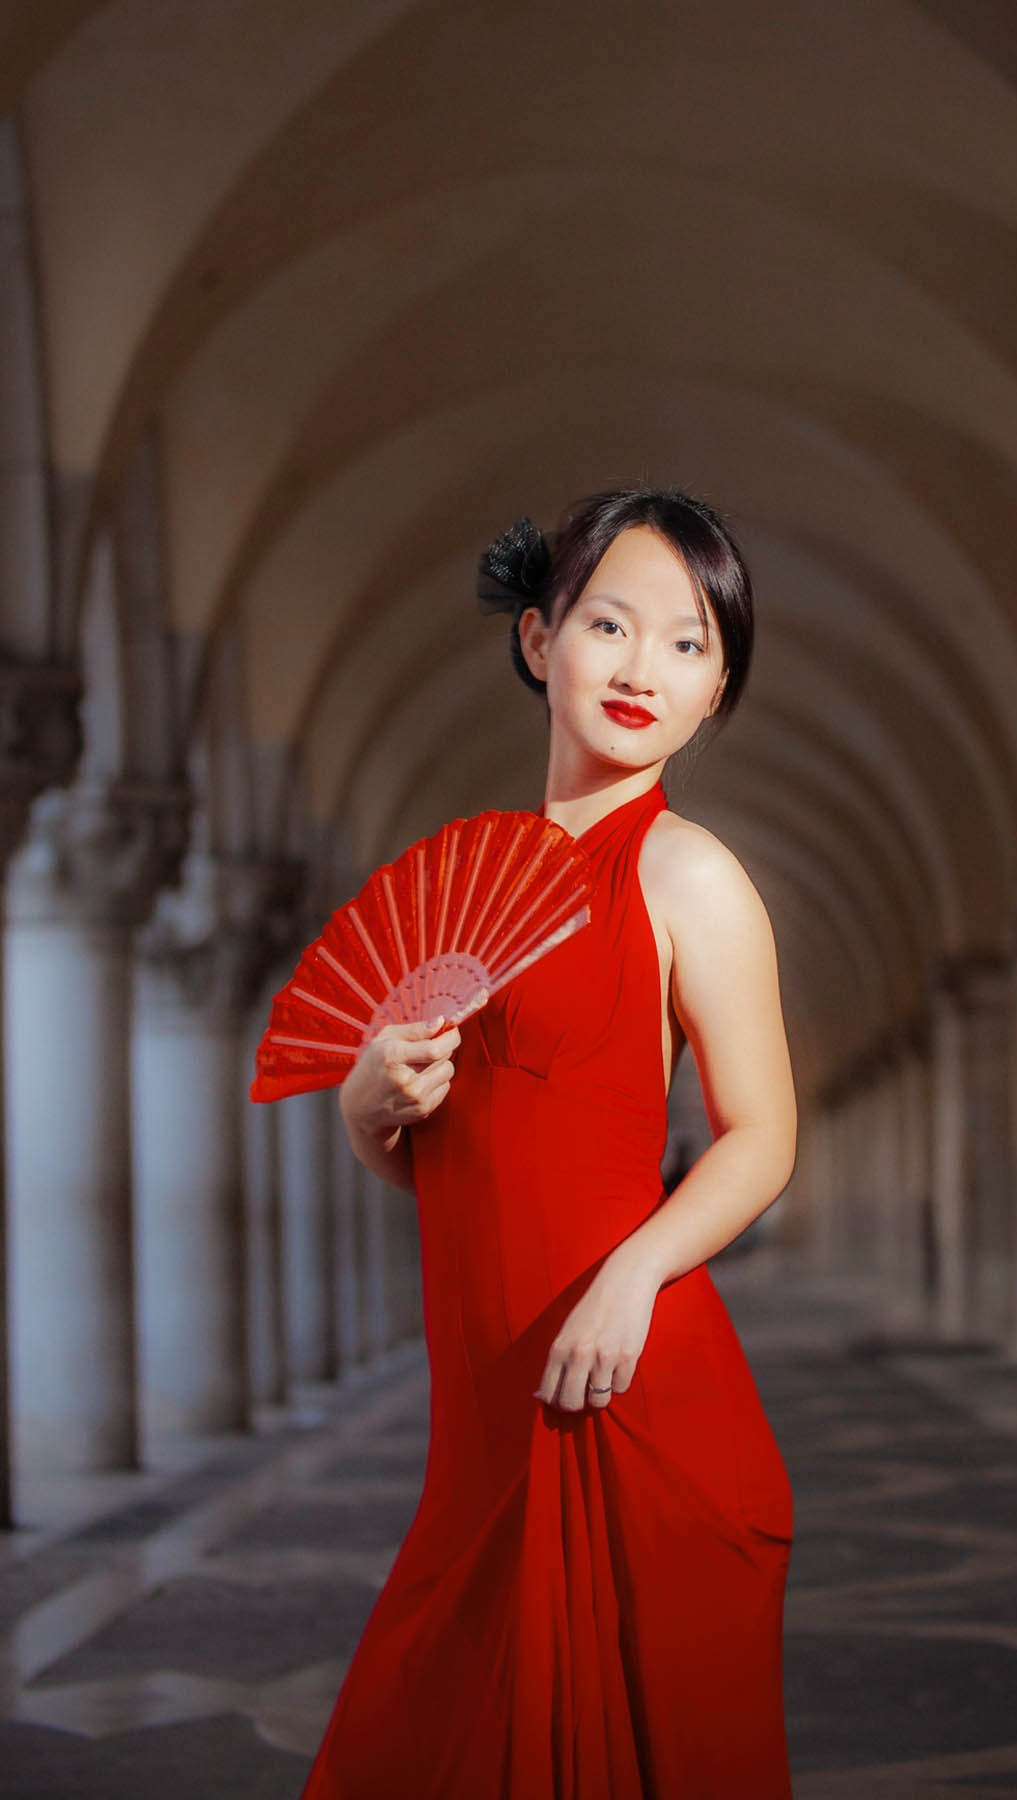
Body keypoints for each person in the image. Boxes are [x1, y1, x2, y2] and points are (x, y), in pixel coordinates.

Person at [300, 487, 798, 1799]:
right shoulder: (466, 884)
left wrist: (635, 1275)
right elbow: (445, 1163)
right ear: (539, 639)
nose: (643, 668)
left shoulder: (689, 875)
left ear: (716, 689)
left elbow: (763, 1137)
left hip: (622, 1378)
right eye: (610, 624)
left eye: (688, 643)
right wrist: (365, 1108)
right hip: (482, 1412)